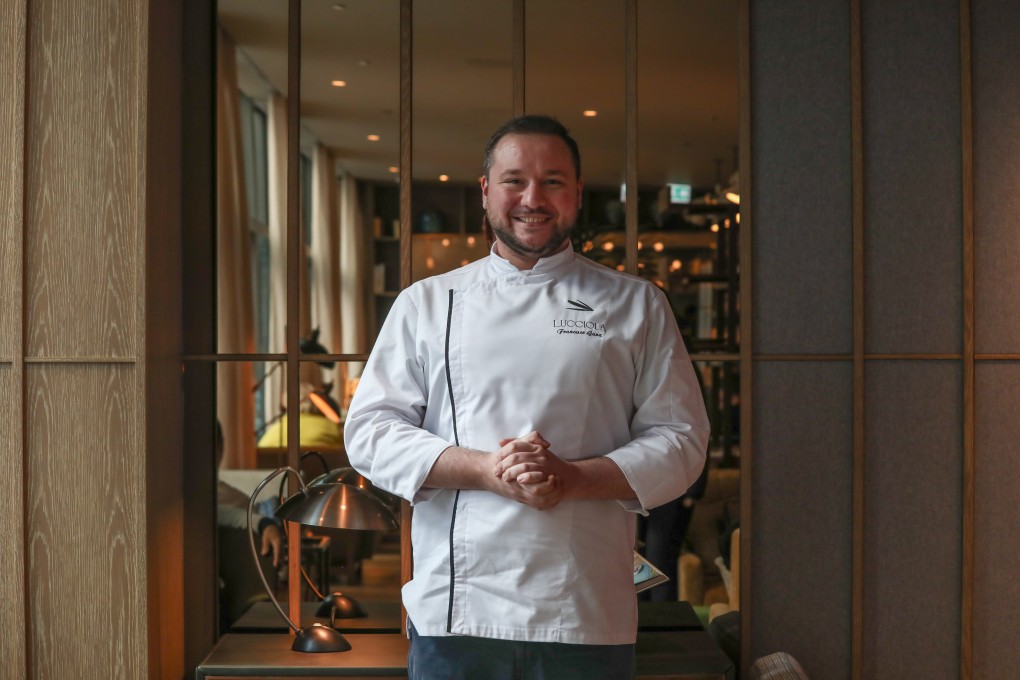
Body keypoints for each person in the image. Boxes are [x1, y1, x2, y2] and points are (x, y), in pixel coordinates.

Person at [344, 115, 709, 679]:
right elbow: (369, 431)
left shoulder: (637, 305)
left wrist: (573, 478)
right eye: (515, 180)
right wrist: (488, 470)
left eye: (553, 181)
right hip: (456, 613)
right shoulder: (428, 303)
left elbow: (682, 441)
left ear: (578, 193)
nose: (532, 198)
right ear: (487, 190)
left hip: (585, 608)